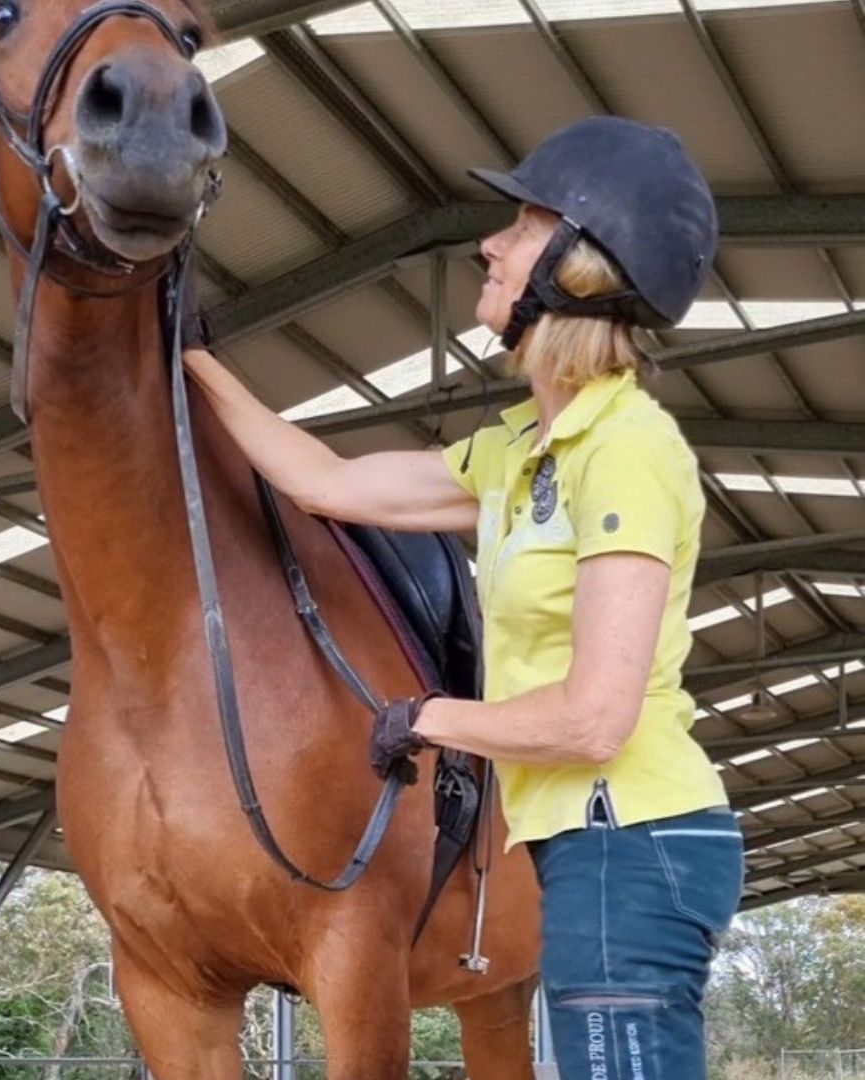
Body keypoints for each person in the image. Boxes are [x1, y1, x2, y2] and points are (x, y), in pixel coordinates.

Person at [183, 116, 744, 1080]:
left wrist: (429, 716)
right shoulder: (519, 454)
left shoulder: (628, 450)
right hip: (587, 842)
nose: (490, 241)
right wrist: (189, 359)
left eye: (520, 225)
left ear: (578, 266)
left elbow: (596, 717)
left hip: (633, 836)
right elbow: (323, 485)